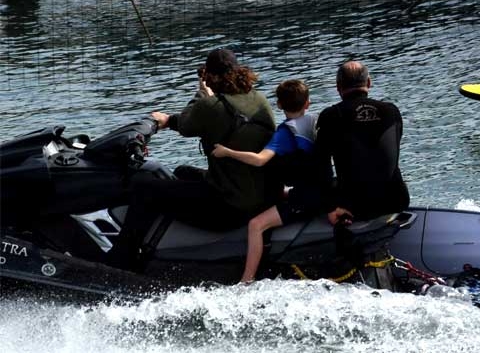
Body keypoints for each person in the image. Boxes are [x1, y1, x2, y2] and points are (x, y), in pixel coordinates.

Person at [108, 48, 279, 270]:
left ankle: (123, 258)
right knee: (182, 172)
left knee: (144, 188)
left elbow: (187, 122)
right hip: (257, 196)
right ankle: (160, 245)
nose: (206, 78)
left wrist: (197, 95)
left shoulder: (211, 105)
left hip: (229, 208)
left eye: (207, 75)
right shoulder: (258, 99)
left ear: (215, 77)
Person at [211, 79, 325, 283]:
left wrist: (227, 152)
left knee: (256, 225)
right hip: (323, 190)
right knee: (281, 195)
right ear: (307, 103)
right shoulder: (316, 122)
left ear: (279, 105)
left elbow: (259, 160)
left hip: (306, 200)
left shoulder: (284, 133)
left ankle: (247, 280)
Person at [314, 61, 409, 227]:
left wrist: (330, 207)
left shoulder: (331, 115)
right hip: (396, 200)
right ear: (369, 83)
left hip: (355, 208)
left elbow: (321, 166)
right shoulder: (392, 111)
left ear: (338, 87)